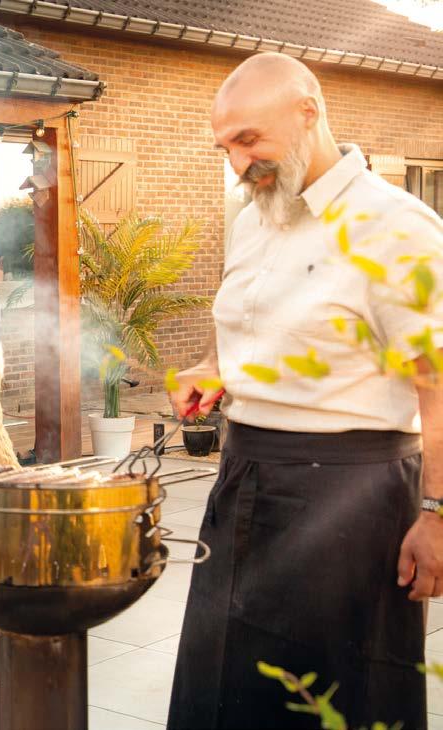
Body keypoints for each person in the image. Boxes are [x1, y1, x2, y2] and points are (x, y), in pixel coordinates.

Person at [167, 52, 443, 729]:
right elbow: (250, 327)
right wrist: (213, 367)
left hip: (354, 499)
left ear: (308, 113)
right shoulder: (253, 217)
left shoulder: (397, 226)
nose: (238, 163)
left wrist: (438, 513)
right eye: (226, 147)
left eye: (249, 139)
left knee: (334, 703)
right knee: (223, 689)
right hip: (244, 479)